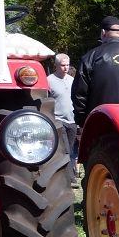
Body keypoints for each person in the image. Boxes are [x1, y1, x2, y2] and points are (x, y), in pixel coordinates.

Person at [47, 53, 78, 185]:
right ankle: (71, 179)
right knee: (65, 150)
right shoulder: (49, 80)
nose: (66, 68)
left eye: (67, 65)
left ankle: (63, 174)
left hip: (72, 120)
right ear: (56, 65)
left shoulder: (72, 80)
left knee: (69, 150)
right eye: (63, 65)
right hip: (58, 120)